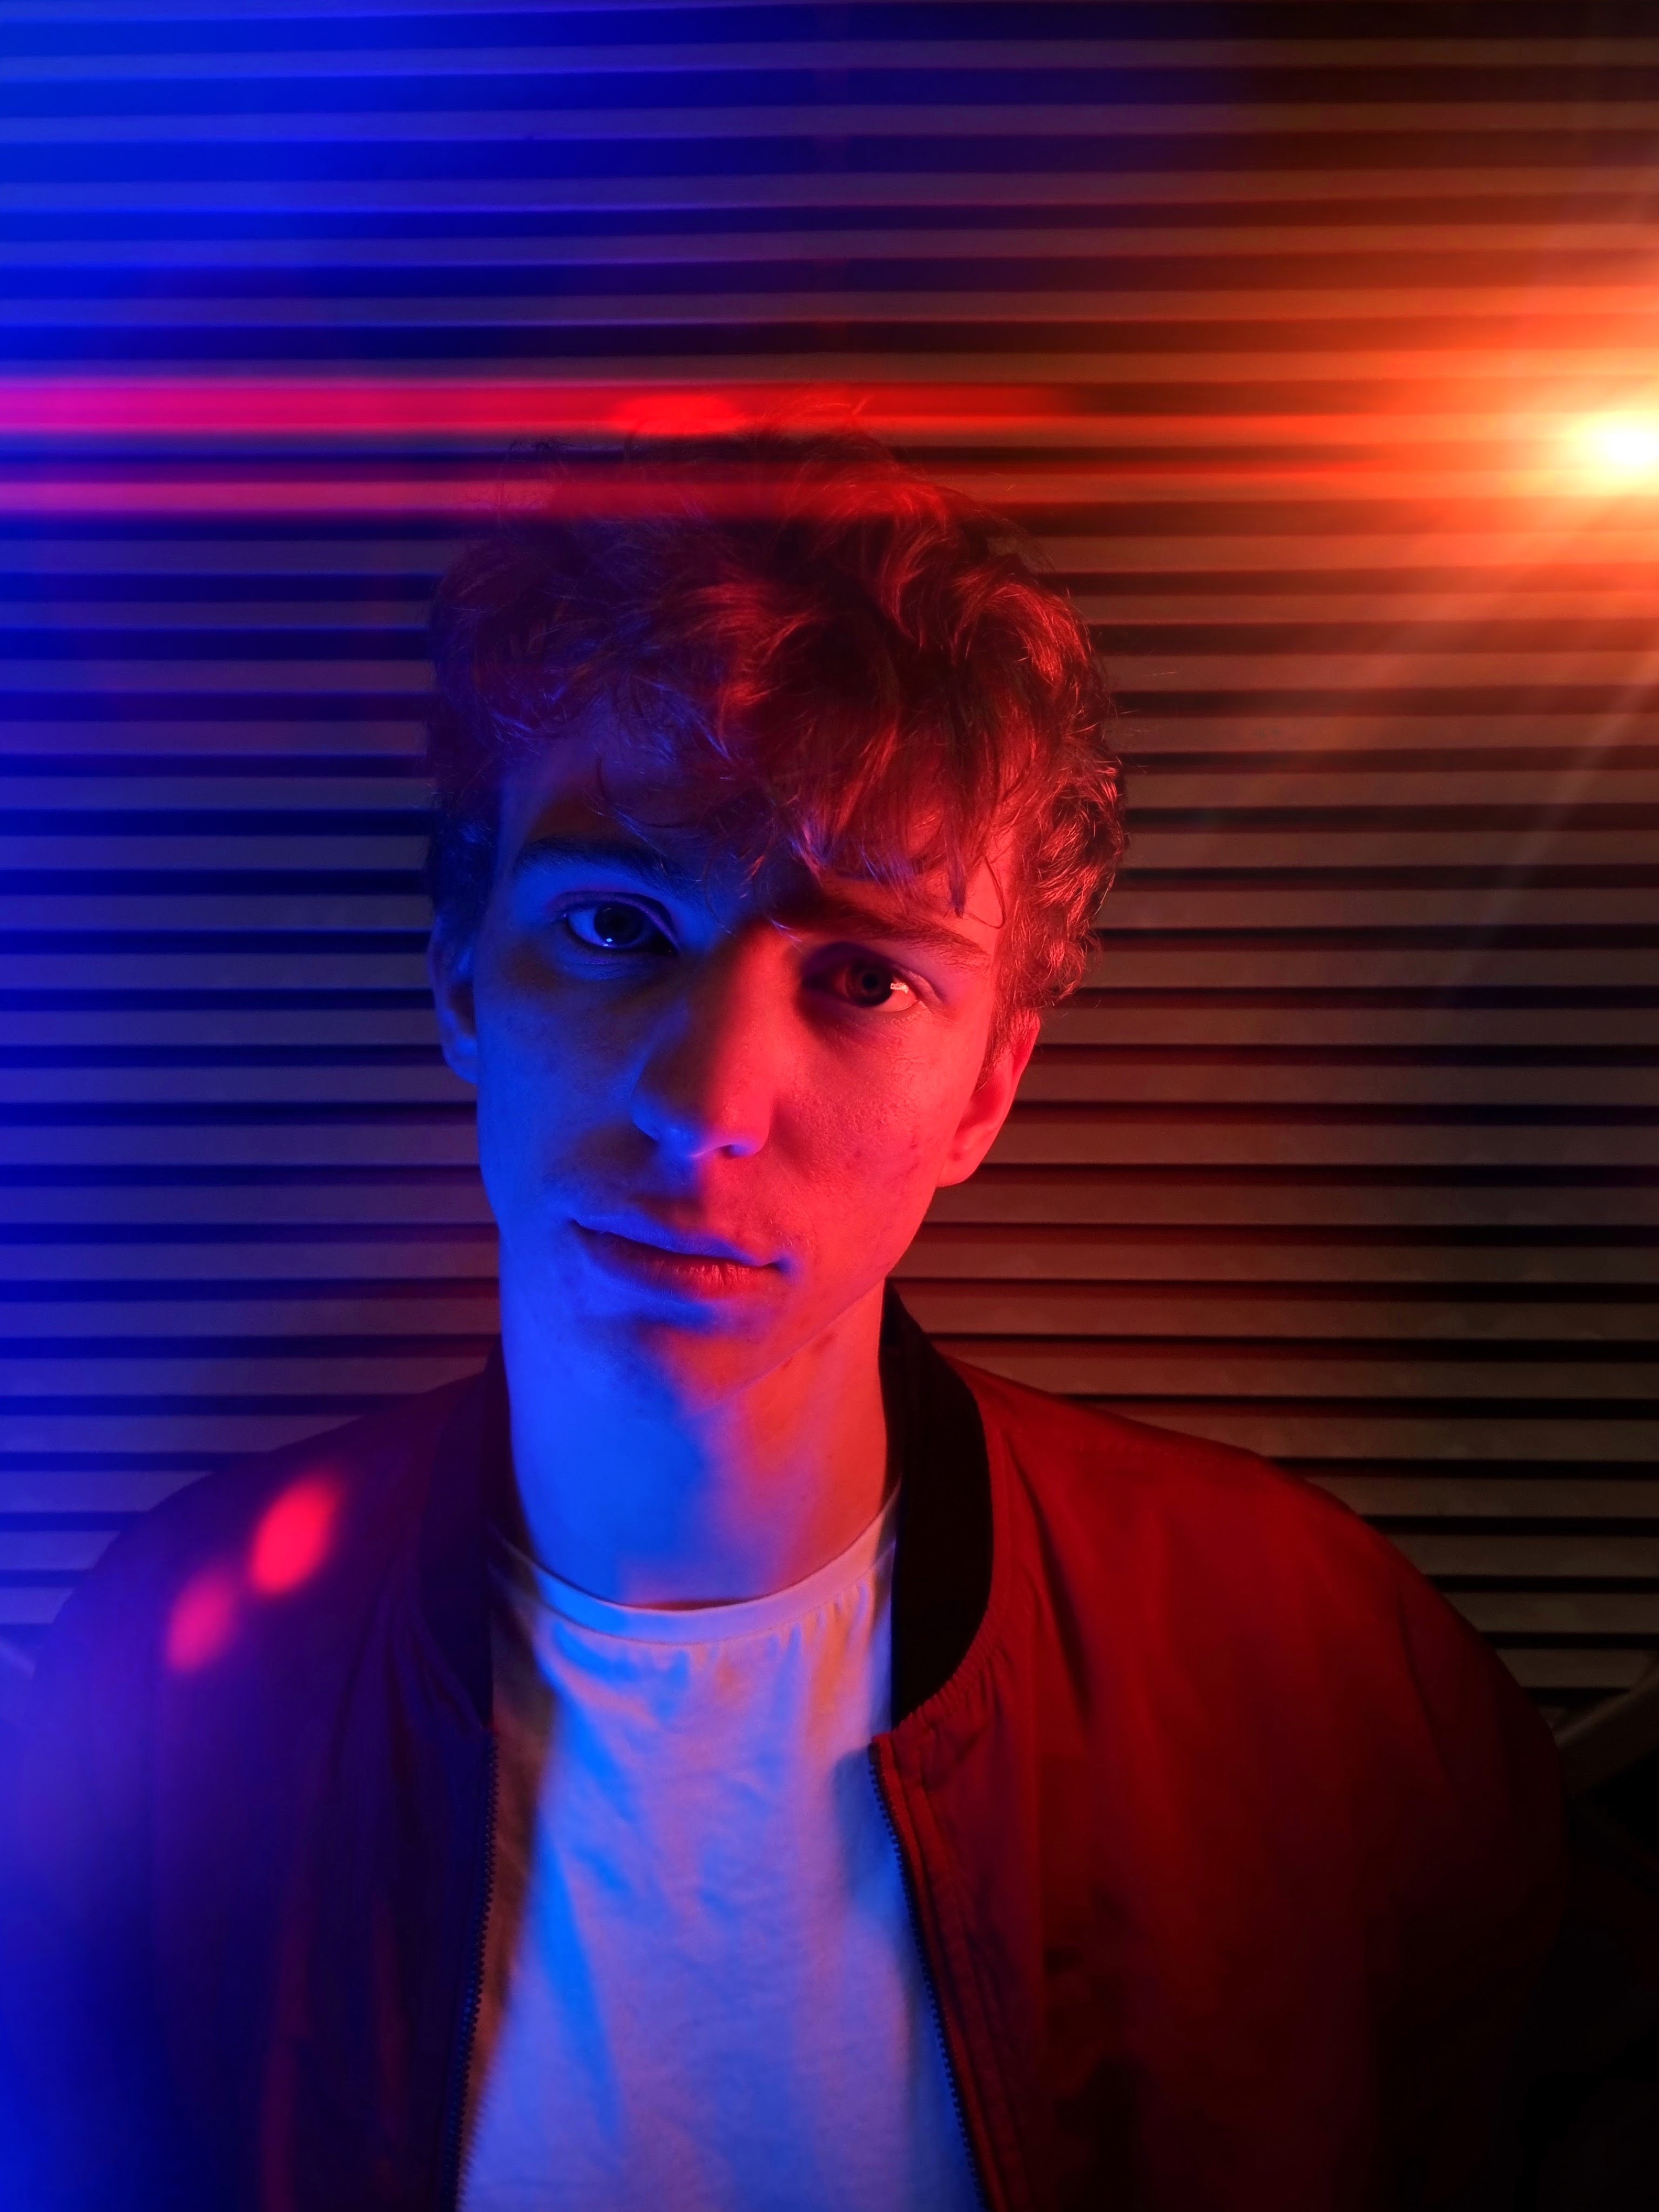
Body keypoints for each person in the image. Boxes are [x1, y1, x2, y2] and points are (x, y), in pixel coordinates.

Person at [0, 433, 1563, 2211]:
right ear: (460, 973)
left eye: (866, 977)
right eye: (615, 925)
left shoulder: (1308, 1664)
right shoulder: (165, 1677)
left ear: (989, 1090)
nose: (708, 1109)